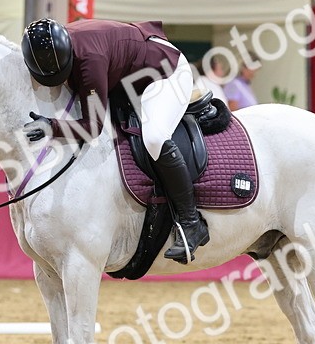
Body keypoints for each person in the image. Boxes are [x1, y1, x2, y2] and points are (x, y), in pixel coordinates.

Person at [21, 18, 208, 264]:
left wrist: (52, 127)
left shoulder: (90, 62)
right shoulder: (55, 46)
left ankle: (191, 222)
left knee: (154, 138)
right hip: (129, 73)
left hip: (165, 72)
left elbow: (93, 127)